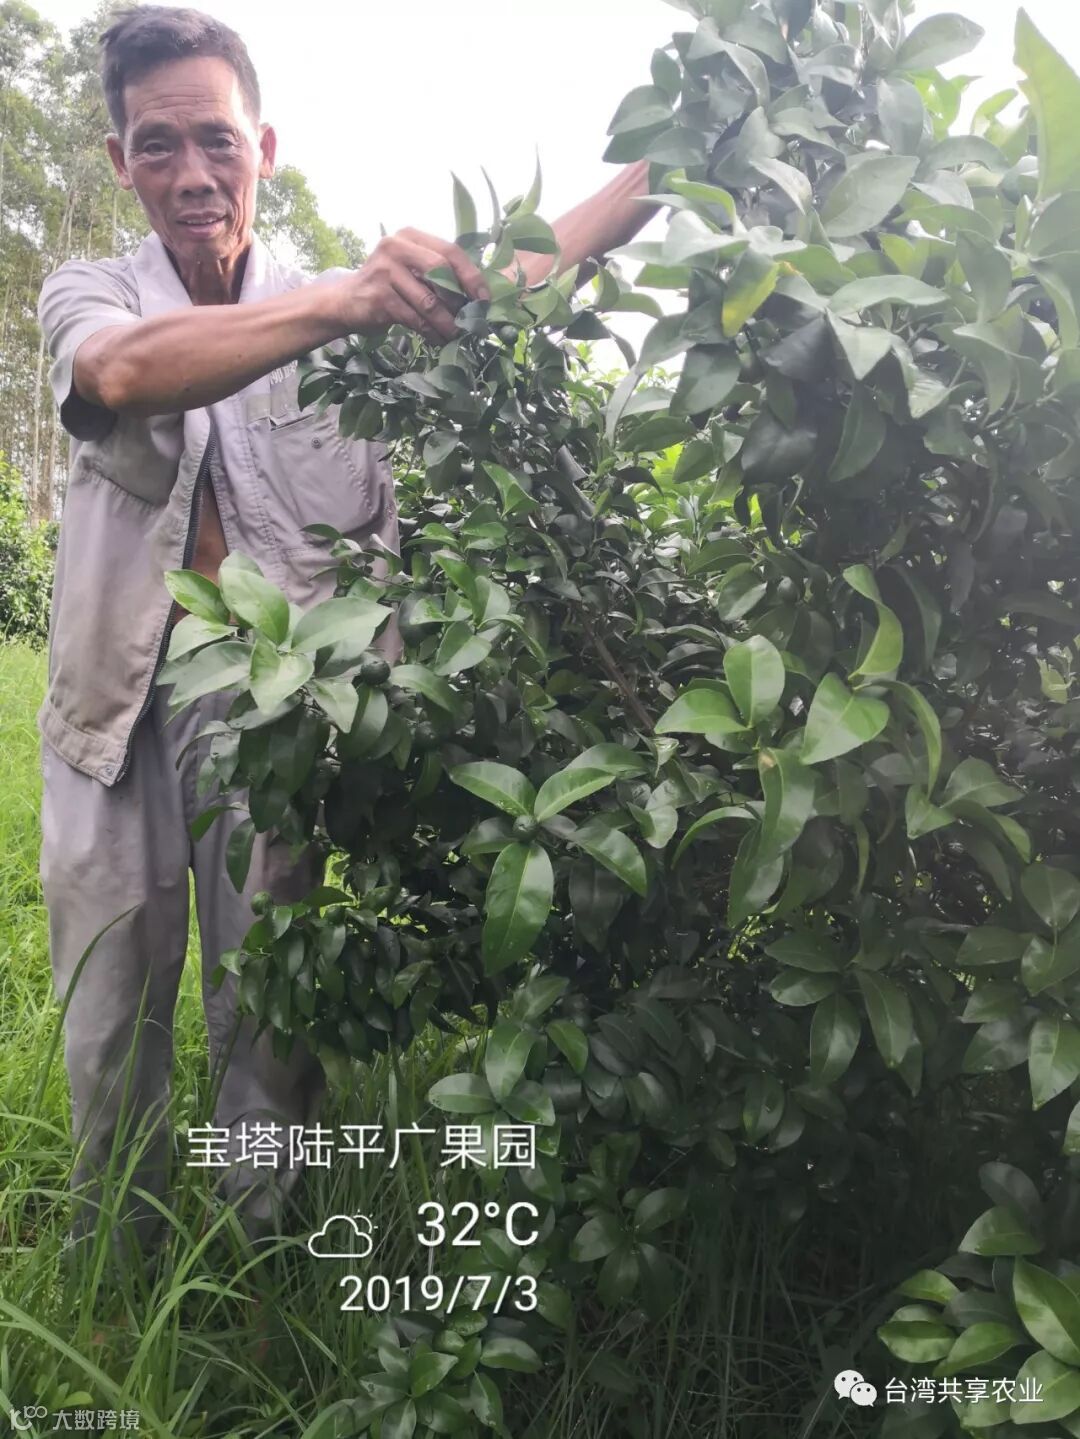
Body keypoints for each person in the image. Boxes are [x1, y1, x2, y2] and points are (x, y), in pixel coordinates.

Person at [37, 5, 657, 1263]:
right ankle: (120, 1262)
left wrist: (655, 172)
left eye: (217, 140)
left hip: (278, 715)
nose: (192, 174)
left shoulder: (349, 320)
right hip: (113, 709)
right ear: (119, 161)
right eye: (157, 145)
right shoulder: (94, 291)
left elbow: (503, 289)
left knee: (272, 1000)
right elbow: (121, 373)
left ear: (263, 145)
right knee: (107, 1007)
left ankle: (265, 1250)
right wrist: (346, 299)